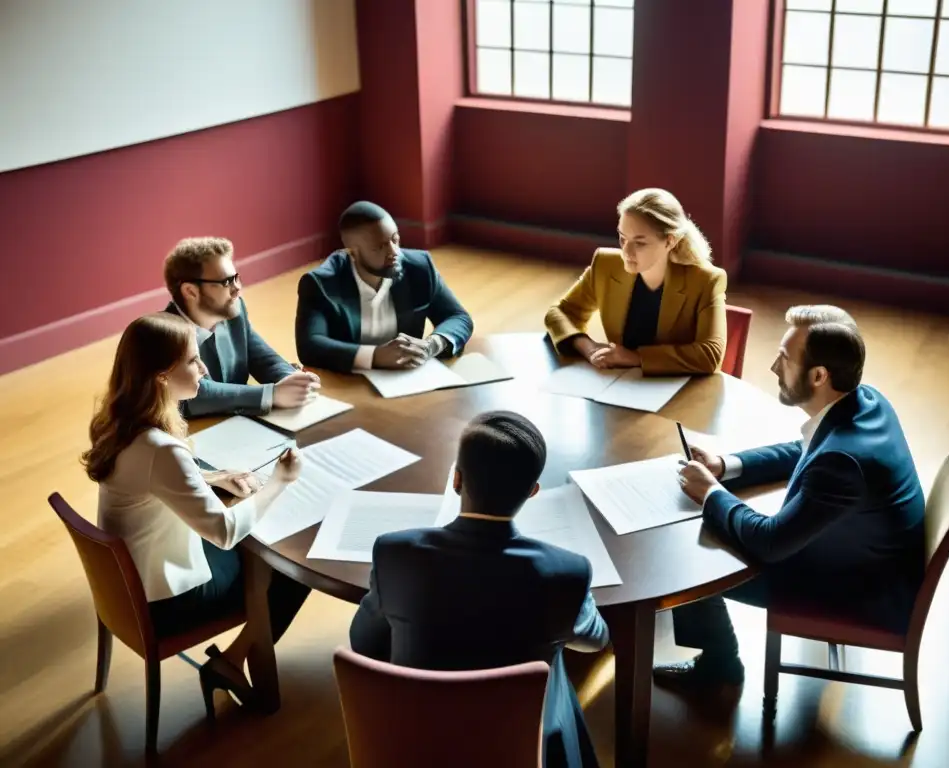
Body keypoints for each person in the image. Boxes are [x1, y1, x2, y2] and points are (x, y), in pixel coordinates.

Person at [658, 305, 925, 691]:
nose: (773, 367)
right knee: (716, 528)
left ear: (819, 375)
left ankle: (721, 668)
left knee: (692, 558)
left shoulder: (842, 463)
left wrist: (710, 493)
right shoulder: (863, 400)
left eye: (784, 358)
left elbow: (770, 542)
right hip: (873, 562)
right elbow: (806, 449)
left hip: (857, 592)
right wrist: (725, 465)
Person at [349, 411, 608, 768]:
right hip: (516, 741)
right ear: (533, 492)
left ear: (456, 479)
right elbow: (595, 640)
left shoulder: (395, 553)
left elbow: (363, 642)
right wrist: (575, 599)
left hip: (417, 736)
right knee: (557, 654)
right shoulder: (567, 571)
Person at [82, 313, 311, 712]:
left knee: (262, 550)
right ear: (161, 377)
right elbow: (223, 533)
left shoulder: (119, 422)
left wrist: (216, 476)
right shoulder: (161, 448)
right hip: (168, 599)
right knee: (289, 567)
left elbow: (153, 480)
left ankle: (236, 658)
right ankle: (232, 662)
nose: (204, 369)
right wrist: (280, 479)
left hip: (129, 582)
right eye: (192, 360)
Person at [545, 188, 727, 375]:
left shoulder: (706, 280)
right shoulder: (605, 265)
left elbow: (710, 354)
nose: (626, 252)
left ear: (670, 241)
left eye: (639, 243)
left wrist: (635, 357)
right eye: (623, 239)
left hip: (679, 391)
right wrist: (589, 348)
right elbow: (559, 313)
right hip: (620, 385)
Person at [294, 201, 474, 373]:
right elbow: (310, 345)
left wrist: (431, 345)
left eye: (395, 240)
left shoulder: (419, 267)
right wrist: (375, 356)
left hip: (408, 379)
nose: (394, 252)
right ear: (353, 253)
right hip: (349, 379)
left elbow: (458, 317)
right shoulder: (320, 283)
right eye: (380, 247)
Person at [164, 236, 320, 417]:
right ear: (190, 291)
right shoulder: (163, 333)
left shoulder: (234, 311)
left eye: (236, 278)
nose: (237, 288)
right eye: (226, 282)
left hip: (242, 425)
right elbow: (195, 396)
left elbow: (262, 358)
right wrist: (271, 394)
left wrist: (292, 380)